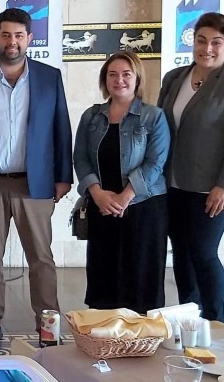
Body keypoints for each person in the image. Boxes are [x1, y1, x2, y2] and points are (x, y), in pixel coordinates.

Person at [0, 8, 72, 348]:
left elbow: (61, 128)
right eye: (6, 34)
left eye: (19, 35)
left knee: (41, 258)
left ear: (30, 39)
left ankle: (48, 323)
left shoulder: (49, 77)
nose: (12, 41)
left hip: (34, 183)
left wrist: (63, 176)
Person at [158, 12, 224, 322]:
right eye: (201, 41)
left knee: (202, 252)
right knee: (181, 253)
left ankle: (215, 322)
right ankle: (191, 320)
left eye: (216, 42)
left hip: (212, 189)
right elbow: (161, 128)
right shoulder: (174, 78)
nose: (207, 49)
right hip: (173, 185)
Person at [73, 52, 170, 314]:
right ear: (105, 80)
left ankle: (141, 334)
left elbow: (155, 163)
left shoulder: (153, 116)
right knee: (103, 276)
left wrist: (125, 196)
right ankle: (104, 332)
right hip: (102, 207)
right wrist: (97, 194)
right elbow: (80, 158)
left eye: (126, 74)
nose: (119, 80)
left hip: (144, 208)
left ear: (137, 78)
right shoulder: (91, 117)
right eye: (112, 74)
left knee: (141, 278)